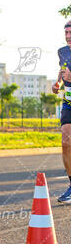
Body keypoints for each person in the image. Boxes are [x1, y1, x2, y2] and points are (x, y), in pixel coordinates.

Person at [53, 20, 71, 202]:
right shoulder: (63, 51)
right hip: (69, 101)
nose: (68, 36)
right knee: (66, 141)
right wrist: (57, 83)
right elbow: (62, 69)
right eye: (66, 32)